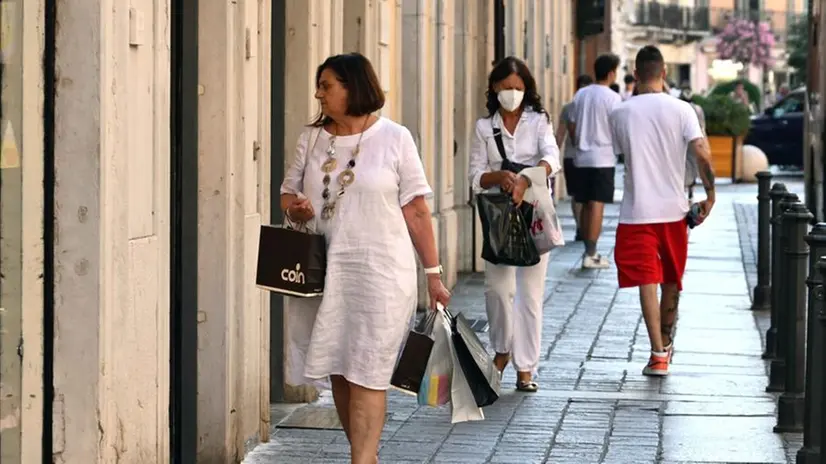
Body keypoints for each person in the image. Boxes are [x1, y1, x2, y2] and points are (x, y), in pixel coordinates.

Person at [280, 52, 450, 464]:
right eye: (319, 85)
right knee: (341, 366)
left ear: (353, 87)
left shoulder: (396, 138)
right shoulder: (312, 139)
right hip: (326, 274)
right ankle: (365, 456)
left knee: (369, 369)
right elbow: (287, 192)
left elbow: (417, 210)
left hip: (381, 274)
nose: (318, 94)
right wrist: (295, 208)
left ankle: (362, 459)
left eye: (327, 85)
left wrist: (433, 274)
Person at [609, 45, 715, 377]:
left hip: (636, 210)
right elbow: (701, 154)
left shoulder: (620, 114)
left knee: (645, 279)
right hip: (674, 210)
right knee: (671, 279)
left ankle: (657, 353)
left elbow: (620, 153)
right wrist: (710, 196)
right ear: (665, 73)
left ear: (636, 74)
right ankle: (666, 342)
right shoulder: (683, 110)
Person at [468, 56, 561, 392]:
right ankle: (502, 350)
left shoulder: (539, 121)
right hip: (500, 216)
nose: (512, 93)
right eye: (506, 87)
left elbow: (552, 157)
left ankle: (526, 367)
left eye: (518, 88)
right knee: (498, 289)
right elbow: (475, 176)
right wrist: (499, 176)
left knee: (530, 294)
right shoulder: (484, 127)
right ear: (495, 88)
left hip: (536, 212)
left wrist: (525, 178)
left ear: (527, 89)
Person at [569, 53, 622, 269]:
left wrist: (579, 141)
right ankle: (591, 253)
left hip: (581, 157)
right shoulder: (613, 98)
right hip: (603, 157)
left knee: (584, 203)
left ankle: (586, 249)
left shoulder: (581, 94)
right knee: (597, 204)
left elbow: (571, 123)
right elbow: (618, 127)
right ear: (611, 73)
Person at [556, 74, 594, 241]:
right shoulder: (593, 111)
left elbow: (560, 135)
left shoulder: (569, 108)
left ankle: (581, 227)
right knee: (587, 196)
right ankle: (584, 228)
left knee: (577, 195)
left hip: (571, 157)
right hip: (589, 158)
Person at [679, 87, 706, 201]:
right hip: (695, 139)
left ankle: (684, 187)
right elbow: (703, 126)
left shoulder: (678, 108)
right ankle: (690, 188)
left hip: (682, 140)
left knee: (683, 163)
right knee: (693, 163)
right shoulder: (697, 108)